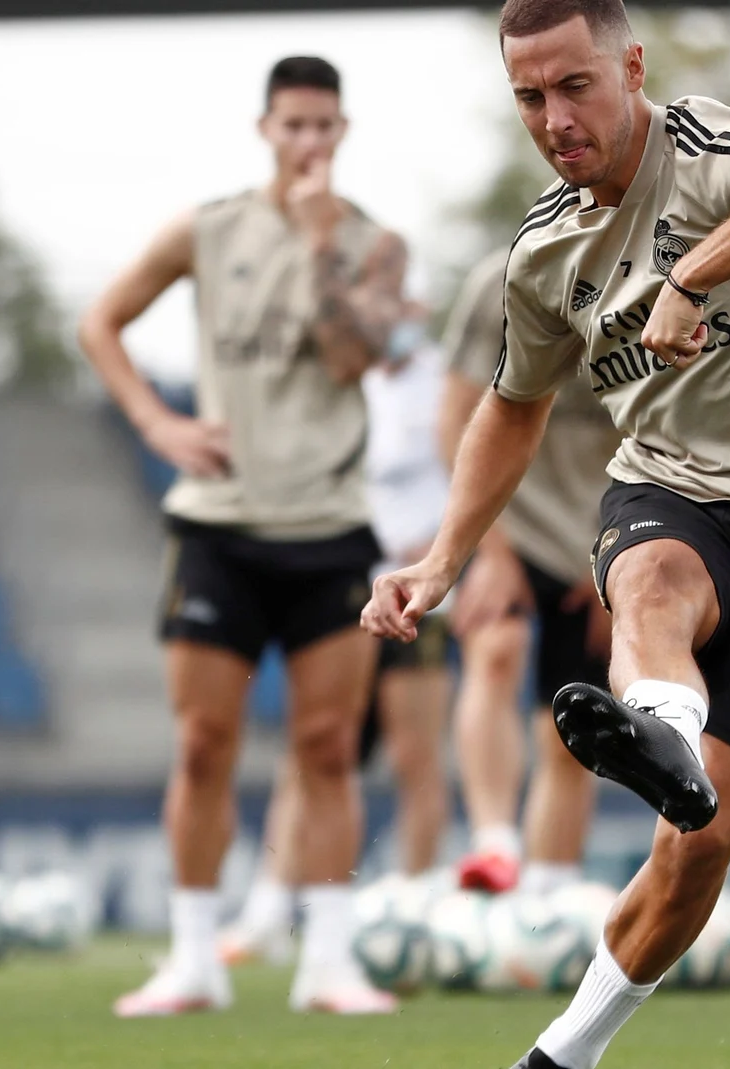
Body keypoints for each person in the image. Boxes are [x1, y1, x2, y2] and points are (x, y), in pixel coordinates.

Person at [362, 3, 730, 1066]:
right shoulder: (543, 250)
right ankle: (660, 726)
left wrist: (692, 274)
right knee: (650, 581)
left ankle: (565, 1053)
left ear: (631, 66)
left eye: (573, 85)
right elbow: (512, 406)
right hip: (671, 487)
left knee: (698, 846)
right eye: (527, 97)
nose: (552, 117)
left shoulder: (709, 150)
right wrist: (444, 555)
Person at [77, 55, 405, 1018]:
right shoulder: (208, 229)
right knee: (204, 743)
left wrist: (316, 248)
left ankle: (329, 962)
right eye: (293, 125)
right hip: (218, 526)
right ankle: (191, 960)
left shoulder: (375, 245)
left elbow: (356, 360)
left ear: (344, 134)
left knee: (328, 747)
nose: (309, 143)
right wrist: (155, 423)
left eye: (325, 127)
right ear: (264, 128)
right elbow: (101, 321)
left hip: (331, 527)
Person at [218, 314, 455, 964]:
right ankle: (268, 910)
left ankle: (417, 903)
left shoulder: (446, 379)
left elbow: (472, 467)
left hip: (417, 598)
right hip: (345, 591)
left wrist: (441, 547)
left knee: (415, 755)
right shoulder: (347, 386)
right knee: (313, 749)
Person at [439, 248, 620, 896]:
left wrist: (616, 559)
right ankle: (494, 843)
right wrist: (487, 550)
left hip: (599, 533)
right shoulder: (500, 281)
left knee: (573, 722)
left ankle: (546, 896)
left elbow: (663, 436)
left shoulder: (657, 276)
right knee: (497, 644)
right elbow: (454, 418)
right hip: (510, 519)